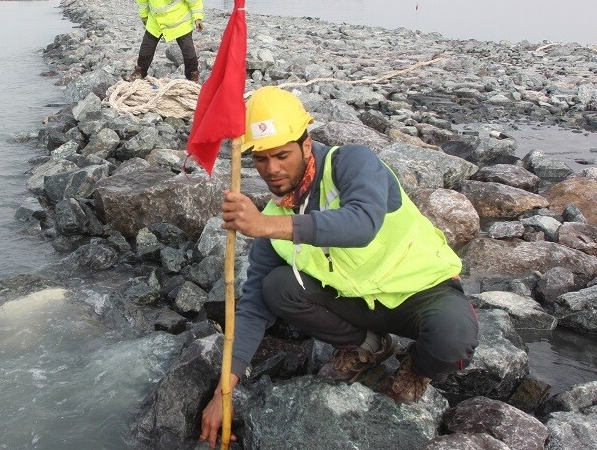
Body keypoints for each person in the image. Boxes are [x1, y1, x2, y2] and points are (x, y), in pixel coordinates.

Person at [199, 87, 479, 447]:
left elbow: (362, 223)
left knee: (452, 342)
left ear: (305, 143)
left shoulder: (352, 162)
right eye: (261, 159)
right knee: (275, 286)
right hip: (359, 305)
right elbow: (253, 309)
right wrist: (224, 391)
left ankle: (417, 367)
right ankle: (368, 346)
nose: (272, 169)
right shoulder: (274, 216)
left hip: (421, 291)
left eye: (282, 155)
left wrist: (265, 227)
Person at [125, 0, 204, 83]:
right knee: (146, 48)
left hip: (180, 20)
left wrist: (198, 17)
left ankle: (193, 76)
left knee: (188, 51)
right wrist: (144, 16)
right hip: (156, 21)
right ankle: (140, 72)